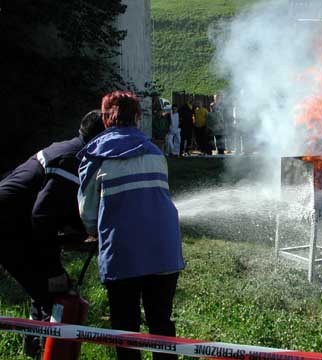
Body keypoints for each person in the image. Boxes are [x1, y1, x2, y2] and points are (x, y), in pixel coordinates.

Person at [77, 91, 184, 360]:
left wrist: (93, 230)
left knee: (126, 330)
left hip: (123, 256)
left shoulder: (95, 157)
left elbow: (88, 215)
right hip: (164, 253)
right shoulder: (156, 153)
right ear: (137, 118)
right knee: (161, 324)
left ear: (105, 120)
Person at [0, 110, 105, 357]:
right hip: (7, 227)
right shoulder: (73, 160)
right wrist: (53, 269)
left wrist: (86, 230)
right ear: (100, 139)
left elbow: (59, 207)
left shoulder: (70, 150)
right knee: (55, 291)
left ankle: (34, 344)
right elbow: (43, 215)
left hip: (15, 224)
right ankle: (39, 350)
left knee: (49, 291)